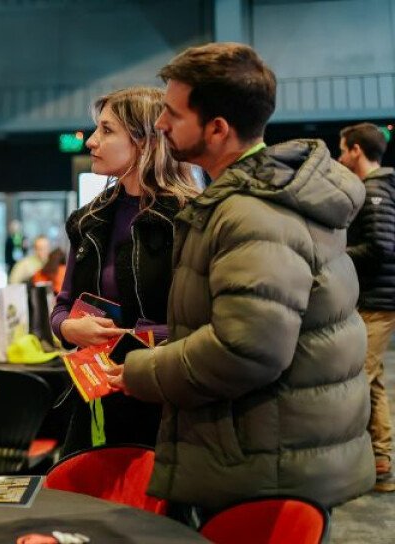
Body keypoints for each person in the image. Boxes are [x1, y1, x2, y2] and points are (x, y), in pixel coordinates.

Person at [109, 42, 374, 513]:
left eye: (173, 113)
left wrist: (141, 372)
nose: (161, 124)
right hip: (271, 453)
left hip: (267, 468)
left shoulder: (253, 214)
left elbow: (245, 350)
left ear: (217, 128)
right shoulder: (257, 199)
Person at [51, 87, 198, 455]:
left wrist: (136, 337)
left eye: (107, 130)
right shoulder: (88, 220)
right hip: (97, 400)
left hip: (168, 402)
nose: (92, 142)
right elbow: (63, 306)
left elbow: (207, 324)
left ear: (145, 141)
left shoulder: (190, 219)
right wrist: (69, 328)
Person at [339, 122, 395, 492]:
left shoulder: (374, 190)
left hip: (378, 300)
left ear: (357, 150)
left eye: (343, 149)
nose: (340, 156)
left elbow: (380, 245)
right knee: (369, 378)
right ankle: (379, 461)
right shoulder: (374, 188)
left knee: (361, 378)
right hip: (374, 298)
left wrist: (336, 255)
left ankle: (376, 462)